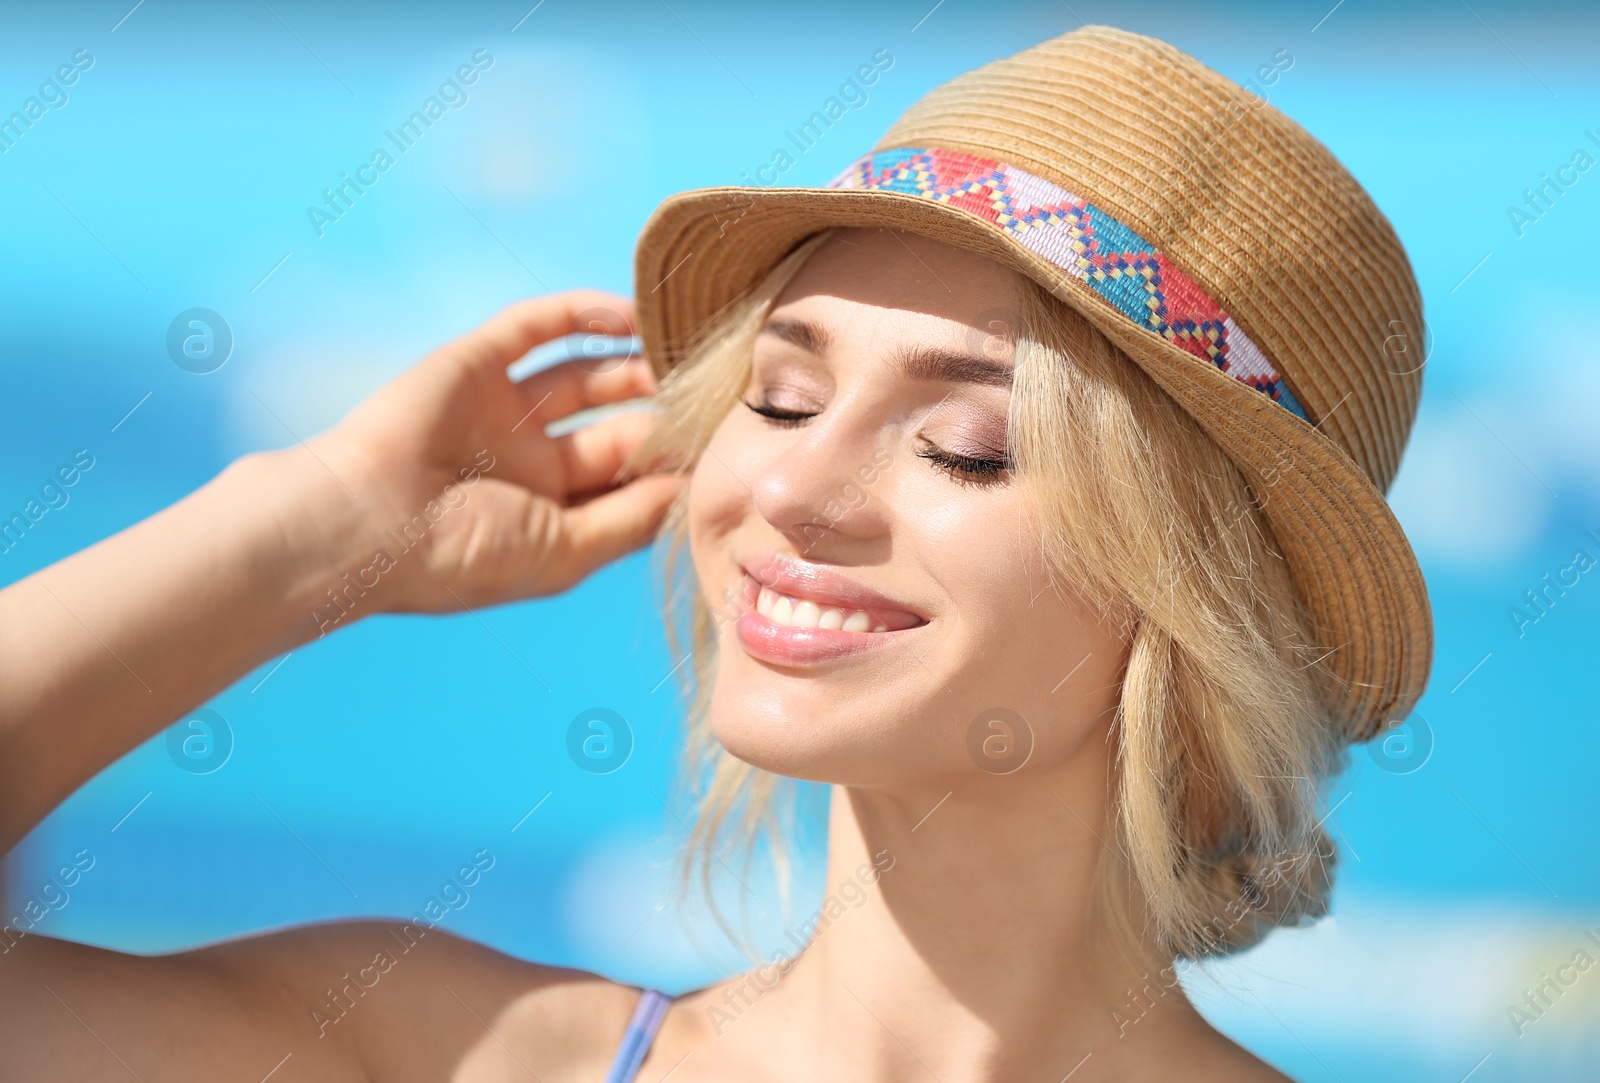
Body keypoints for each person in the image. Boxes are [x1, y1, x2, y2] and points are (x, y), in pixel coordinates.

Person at [0, 25, 1430, 1082]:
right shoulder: (452, 1059)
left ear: (1200, 593)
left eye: (967, 444)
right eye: (781, 395)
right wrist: (307, 535)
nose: (795, 483)